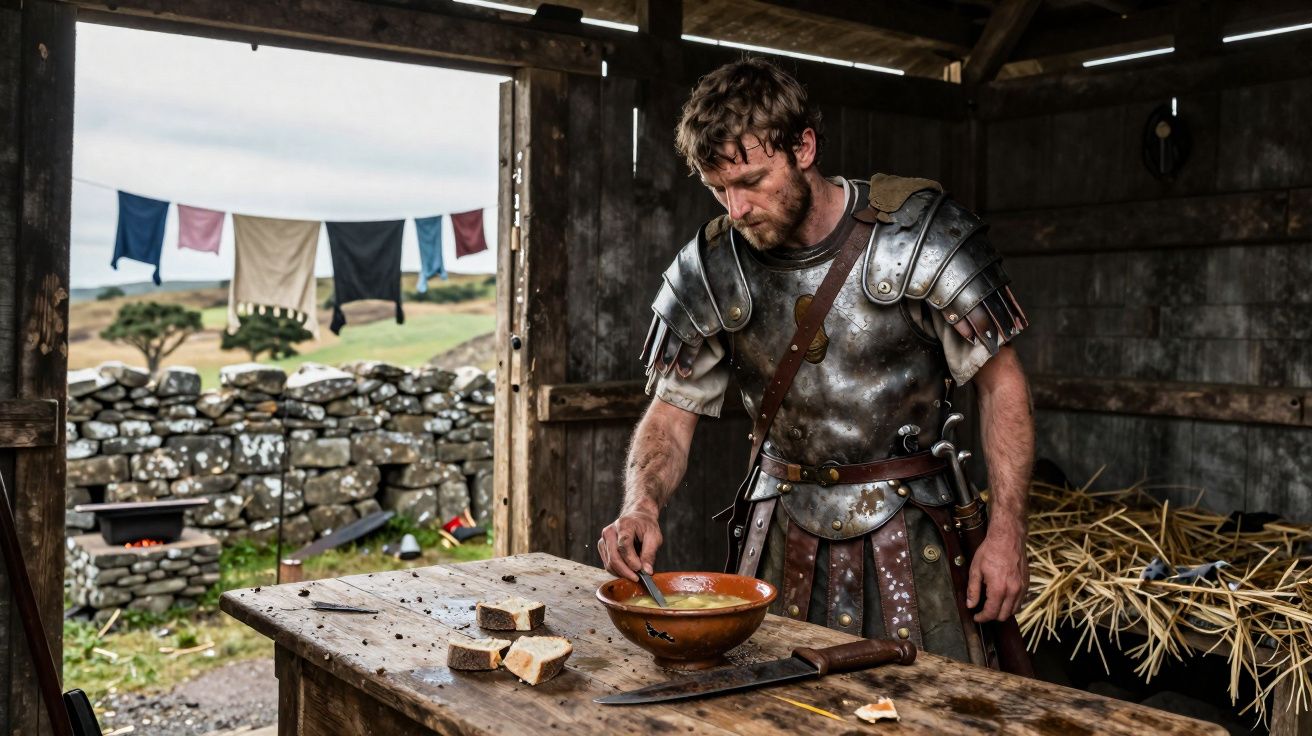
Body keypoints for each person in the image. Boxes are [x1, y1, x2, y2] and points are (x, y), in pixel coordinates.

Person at [596, 57, 1034, 667]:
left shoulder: (919, 238)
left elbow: (1001, 384)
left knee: (934, 707)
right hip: (778, 533)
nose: (737, 207)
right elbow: (670, 413)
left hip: (914, 534)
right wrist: (640, 505)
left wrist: (1007, 533)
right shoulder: (715, 264)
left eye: (751, 180)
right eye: (719, 188)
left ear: (802, 146)